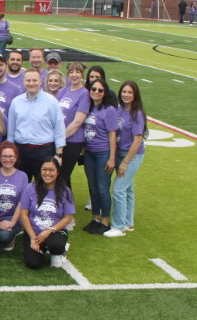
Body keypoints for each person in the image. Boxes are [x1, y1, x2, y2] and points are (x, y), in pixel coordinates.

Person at [6, 69, 65, 183]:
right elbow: (11, 131)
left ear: (40, 81)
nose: (31, 83)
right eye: (28, 80)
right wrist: (10, 152)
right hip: (21, 151)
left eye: (34, 80)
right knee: (20, 186)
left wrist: (59, 154)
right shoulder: (16, 102)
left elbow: (59, 129)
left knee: (43, 187)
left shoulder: (51, 101)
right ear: (24, 82)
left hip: (44, 151)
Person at [107, 81, 147, 237]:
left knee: (118, 189)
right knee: (128, 188)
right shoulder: (118, 110)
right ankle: (128, 221)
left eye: (130, 92)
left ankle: (119, 225)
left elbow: (137, 141)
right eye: (124, 91)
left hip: (132, 155)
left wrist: (125, 162)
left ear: (135, 95)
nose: (126, 95)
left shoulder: (136, 113)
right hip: (120, 153)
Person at [19, 157, 74, 269]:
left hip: (55, 231)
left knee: (56, 246)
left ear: (57, 172)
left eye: (51, 170)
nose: (47, 173)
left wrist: (49, 231)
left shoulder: (65, 190)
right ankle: (43, 247)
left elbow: (68, 217)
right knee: (33, 264)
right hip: (34, 232)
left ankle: (58, 251)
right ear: (40, 171)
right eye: (44, 169)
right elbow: (23, 214)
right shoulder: (30, 188)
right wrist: (33, 238)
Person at [82, 79, 118, 235]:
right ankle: (95, 218)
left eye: (100, 90)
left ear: (105, 93)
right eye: (94, 89)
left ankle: (105, 221)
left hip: (103, 153)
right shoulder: (88, 107)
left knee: (103, 188)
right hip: (89, 153)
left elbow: (112, 134)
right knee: (93, 187)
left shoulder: (109, 110)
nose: (96, 92)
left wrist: (112, 158)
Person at [0, 142, 28, 253]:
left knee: (3, 236)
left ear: (16, 157)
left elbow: (22, 203)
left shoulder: (22, 176)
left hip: (12, 217)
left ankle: (11, 234)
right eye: (4, 156)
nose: (7, 159)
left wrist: (12, 222)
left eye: (10, 156)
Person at [57, 62, 90, 189]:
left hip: (73, 141)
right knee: (61, 176)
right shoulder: (62, 91)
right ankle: (68, 206)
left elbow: (77, 122)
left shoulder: (84, 94)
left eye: (77, 72)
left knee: (62, 176)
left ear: (82, 74)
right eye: (71, 72)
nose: (74, 75)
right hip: (60, 140)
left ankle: (63, 206)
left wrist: (60, 138)